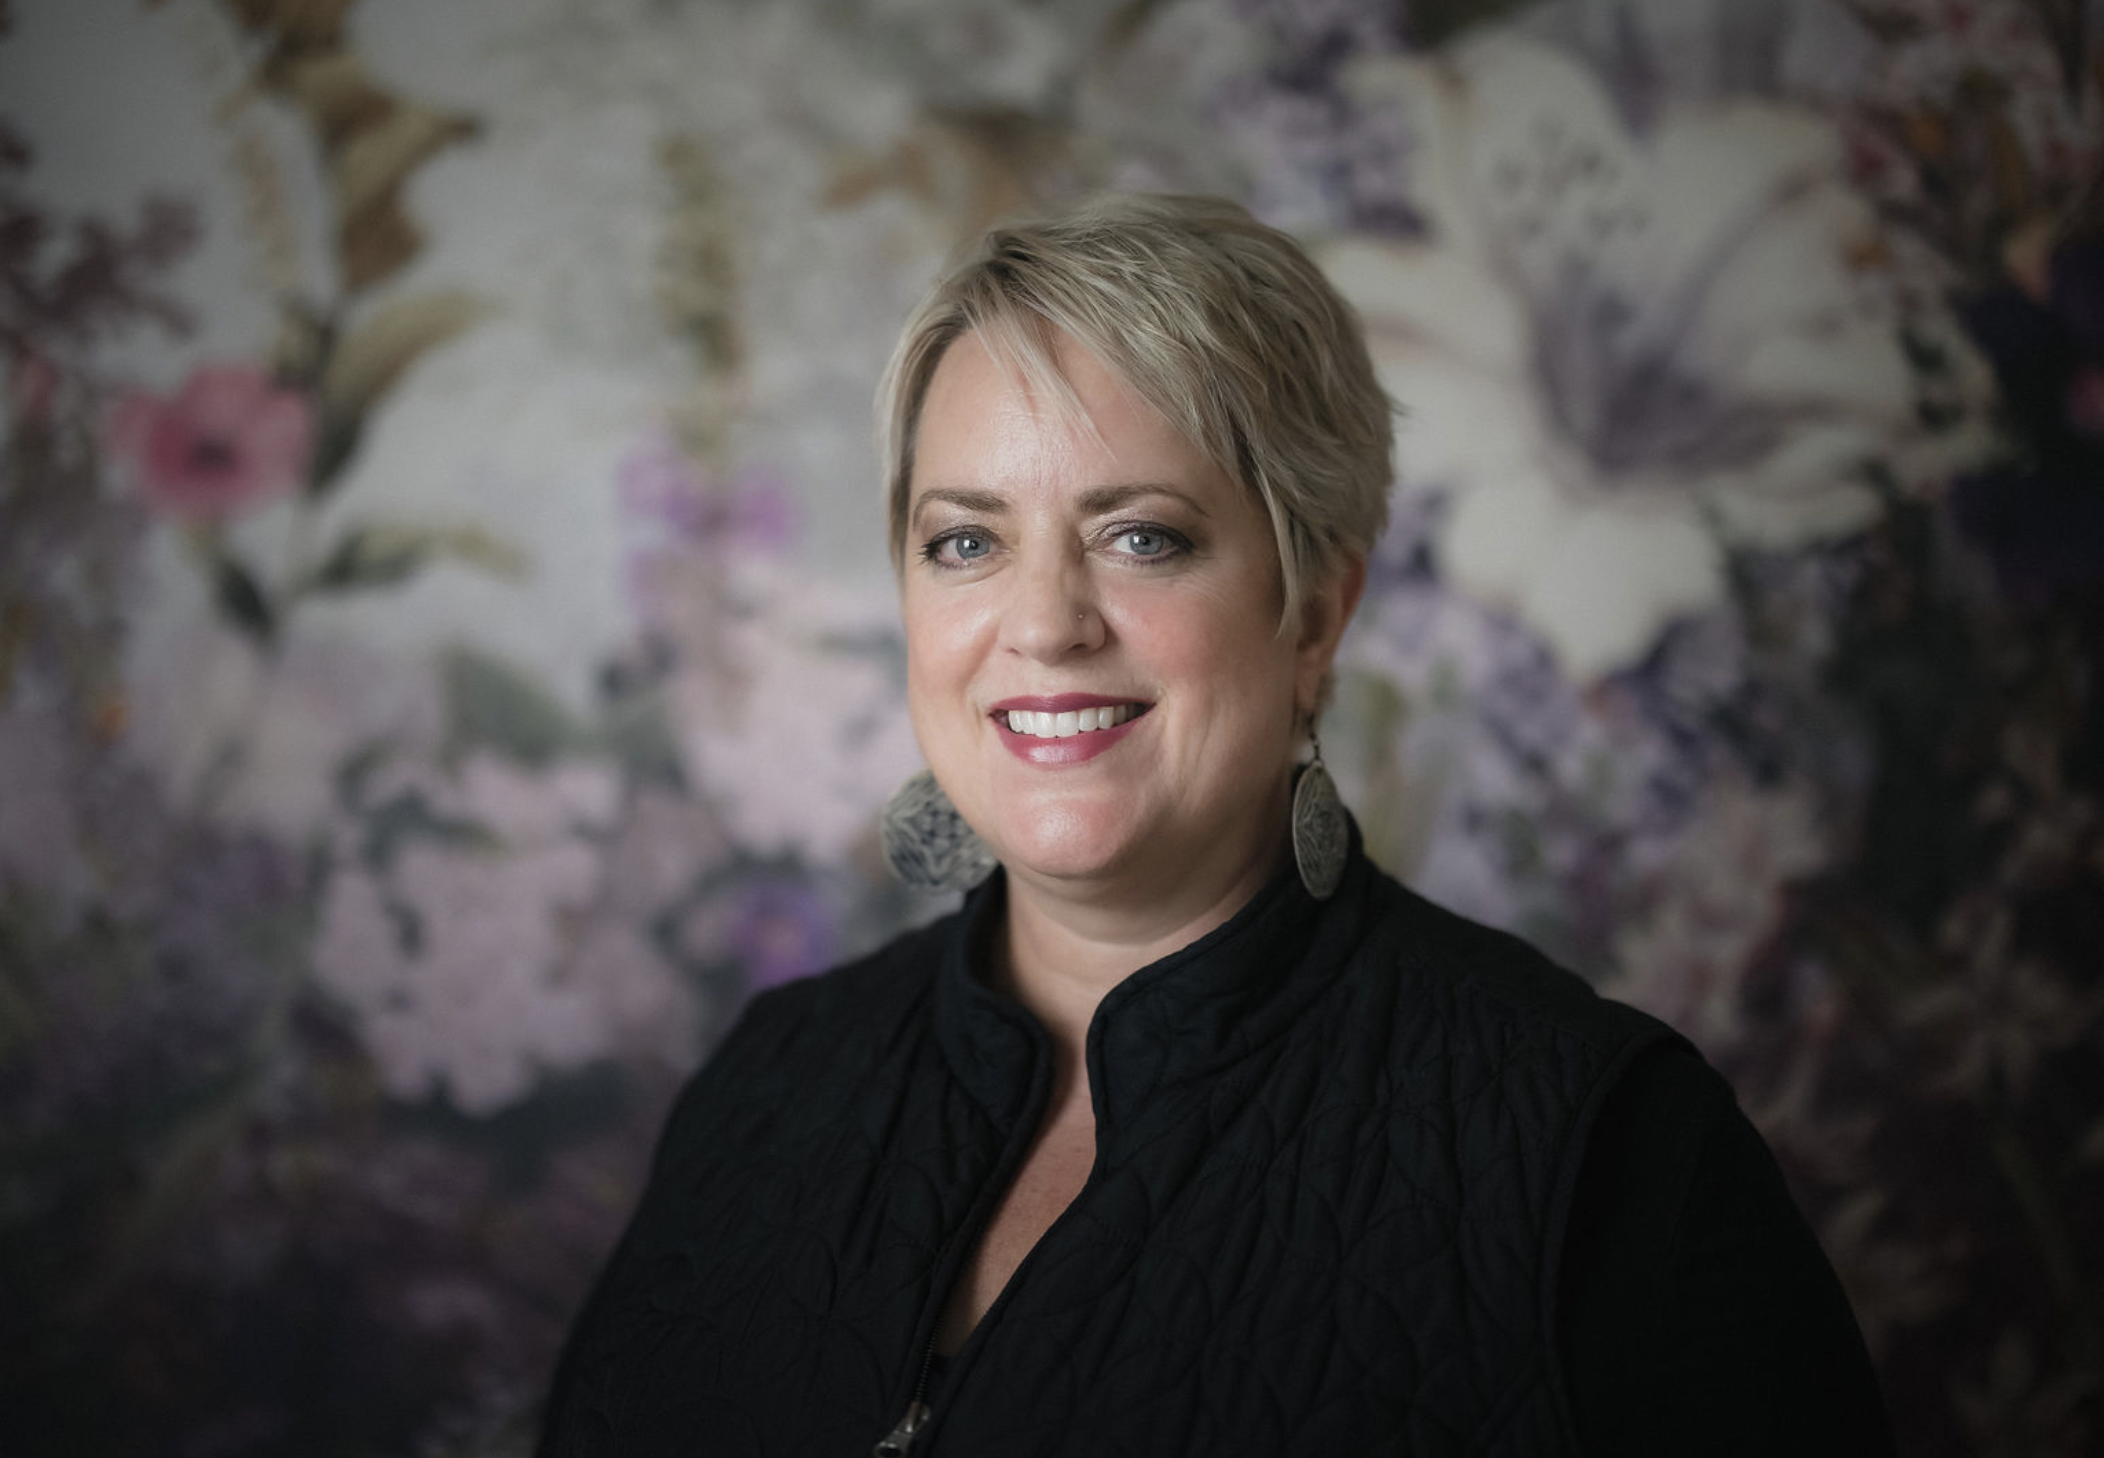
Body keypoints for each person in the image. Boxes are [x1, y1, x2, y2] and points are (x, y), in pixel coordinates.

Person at [536, 194, 1892, 1456]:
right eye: (966, 541)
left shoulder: (1607, 1146)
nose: (1045, 621)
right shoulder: (770, 1084)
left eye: (1144, 537)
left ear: (1313, 611)